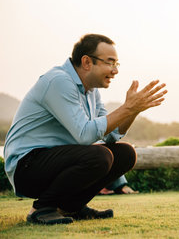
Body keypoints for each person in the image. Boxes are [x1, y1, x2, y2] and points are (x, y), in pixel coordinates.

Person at [3, 34, 167, 225]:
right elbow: (84, 135)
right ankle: (41, 209)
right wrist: (128, 108)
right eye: (110, 63)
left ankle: (71, 207)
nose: (115, 71)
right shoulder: (59, 81)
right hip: (27, 167)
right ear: (87, 62)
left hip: (54, 162)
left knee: (125, 154)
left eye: (117, 64)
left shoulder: (91, 91)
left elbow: (111, 136)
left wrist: (133, 110)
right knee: (99, 156)